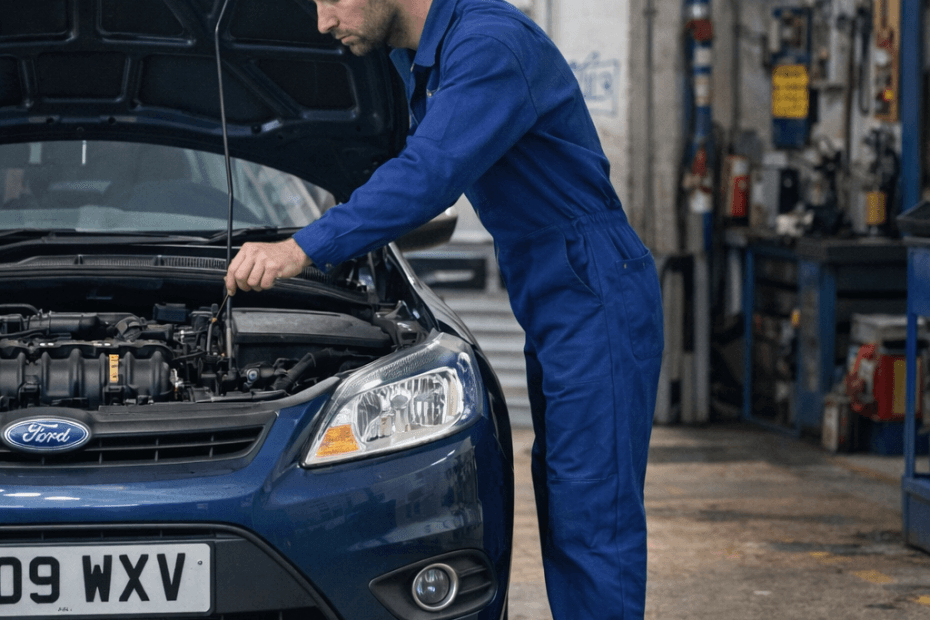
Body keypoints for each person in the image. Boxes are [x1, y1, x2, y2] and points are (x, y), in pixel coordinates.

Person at [224, 0, 664, 617]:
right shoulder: (419, 56)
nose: (321, 22)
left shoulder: (489, 47)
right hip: (557, 289)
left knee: (595, 505)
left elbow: (428, 175)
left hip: (595, 290)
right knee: (566, 492)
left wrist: (304, 247)